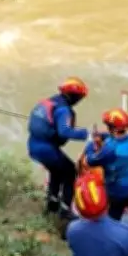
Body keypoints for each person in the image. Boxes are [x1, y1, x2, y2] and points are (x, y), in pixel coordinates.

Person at [83, 108, 128, 256]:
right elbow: (115, 139)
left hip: (118, 192)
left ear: (112, 128)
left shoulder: (109, 149)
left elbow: (91, 160)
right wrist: (102, 136)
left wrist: (91, 143)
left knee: (112, 221)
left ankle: (107, 249)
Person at [27, 77, 89, 216]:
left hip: (33, 145)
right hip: (46, 149)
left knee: (56, 171)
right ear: (74, 96)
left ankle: (52, 203)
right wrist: (87, 134)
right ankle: (66, 209)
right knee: (70, 172)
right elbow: (64, 131)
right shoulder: (63, 110)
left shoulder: (50, 102)